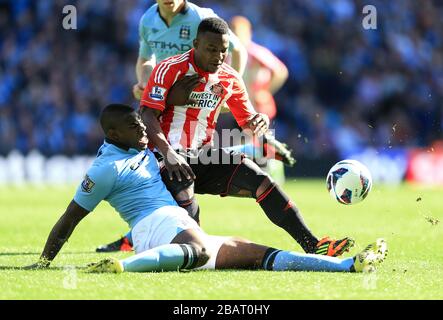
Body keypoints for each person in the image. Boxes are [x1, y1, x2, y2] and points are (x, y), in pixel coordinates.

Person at [97, 18, 354, 258]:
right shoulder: (170, 69)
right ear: (195, 44)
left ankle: (314, 245)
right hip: (163, 158)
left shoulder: (230, 78)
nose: (218, 57)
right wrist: (168, 152)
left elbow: (248, 121)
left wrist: (259, 124)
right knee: (193, 235)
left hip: (203, 154)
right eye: (211, 49)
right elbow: (146, 113)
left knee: (262, 181)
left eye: (223, 50)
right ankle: (160, 248)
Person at [27, 104, 388, 274]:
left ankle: (344, 266)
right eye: (134, 128)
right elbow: (70, 217)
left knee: (258, 255)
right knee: (198, 250)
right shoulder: (104, 169)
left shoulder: (147, 148)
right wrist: (44, 262)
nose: (143, 132)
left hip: (172, 224)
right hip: (151, 225)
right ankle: (122, 266)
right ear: (113, 134)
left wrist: (259, 147)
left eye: (141, 126)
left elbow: (212, 156)